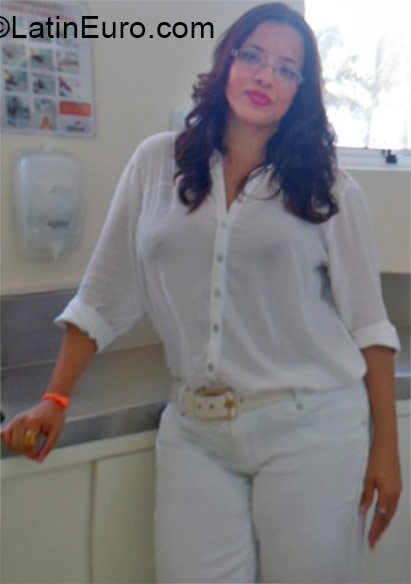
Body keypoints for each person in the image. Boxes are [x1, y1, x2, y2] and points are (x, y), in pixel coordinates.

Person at [1, 3, 403, 583]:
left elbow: (370, 326)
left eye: (287, 69)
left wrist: (387, 450)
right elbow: (104, 292)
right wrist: (55, 399)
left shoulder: (330, 189)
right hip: (195, 433)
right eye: (253, 56)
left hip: (311, 429)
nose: (265, 76)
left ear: (301, 91)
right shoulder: (155, 164)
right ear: (226, 63)